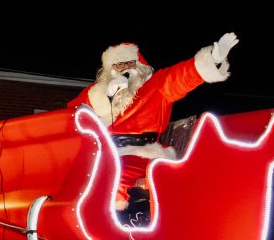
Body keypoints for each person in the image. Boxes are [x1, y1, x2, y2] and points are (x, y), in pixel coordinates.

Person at [69, 33, 238, 221]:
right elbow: (72, 117)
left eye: (129, 63)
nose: (123, 68)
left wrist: (213, 58)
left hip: (140, 153)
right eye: (118, 65)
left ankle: (114, 224)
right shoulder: (93, 93)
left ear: (139, 66)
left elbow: (184, 76)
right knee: (74, 175)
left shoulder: (156, 87)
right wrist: (105, 97)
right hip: (102, 152)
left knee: (114, 177)